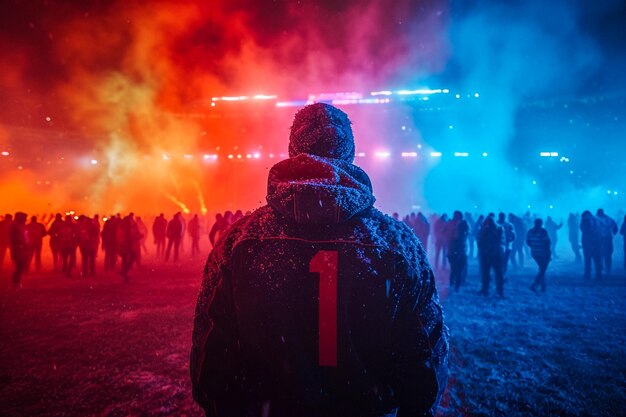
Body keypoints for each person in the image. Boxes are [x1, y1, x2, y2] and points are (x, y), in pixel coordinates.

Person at [191, 103, 448, 417]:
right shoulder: (396, 243)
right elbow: (426, 366)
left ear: (292, 151)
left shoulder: (241, 242)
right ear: (349, 153)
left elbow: (211, 362)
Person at [477, 216, 506, 297]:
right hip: (488, 254)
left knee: (498, 274)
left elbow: (499, 240)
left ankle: (499, 291)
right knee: (486, 273)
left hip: (496, 254)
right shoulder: (485, 229)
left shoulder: (499, 229)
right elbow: (480, 241)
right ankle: (485, 289)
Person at [526, 218, 551, 293]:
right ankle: (535, 284)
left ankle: (543, 287)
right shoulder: (543, 231)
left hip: (534, 253)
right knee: (543, 269)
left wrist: (534, 247)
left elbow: (528, 242)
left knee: (542, 269)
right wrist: (548, 253)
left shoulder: (530, 231)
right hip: (543, 253)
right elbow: (546, 243)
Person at [447, 211, 469, 292]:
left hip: (457, 249)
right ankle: (455, 285)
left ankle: (453, 285)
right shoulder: (462, 224)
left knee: (455, 269)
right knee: (457, 269)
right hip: (458, 250)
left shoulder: (453, 224)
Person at [118, 213, 142, 281]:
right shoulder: (127, 228)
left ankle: (124, 273)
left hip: (123, 246)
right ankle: (124, 272)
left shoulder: (121, 227)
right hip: (126, 246)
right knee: (132, 256)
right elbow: (129, 237)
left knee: (125, 259)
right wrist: (138, 237)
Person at [9, 212, 30, 288]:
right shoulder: (14, 226)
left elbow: (26, 236)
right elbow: (14, 238)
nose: (25, 220)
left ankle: (17, 281)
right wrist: (21, 243)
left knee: (22, 265)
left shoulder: (22, 226)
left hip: (23, 248)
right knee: (19, 266)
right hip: (18, 249)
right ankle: (16, 282)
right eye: (24, 218)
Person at [580, 210, 602, 280]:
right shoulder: (597, 219)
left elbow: (586, 230)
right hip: (598, 241)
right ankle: (599, 275)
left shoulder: (586, 220)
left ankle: (587, 275)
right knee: (597, 259)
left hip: (588, 242)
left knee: (588, 259)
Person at [595, 209, 618, 276]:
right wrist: (612, 234)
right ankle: (608, 269)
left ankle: (602, 269)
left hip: (600, 239)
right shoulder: (610, 219)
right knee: (608, 254)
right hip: (608, 238)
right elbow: (615, 229)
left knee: (600, 254)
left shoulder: (596, 219)